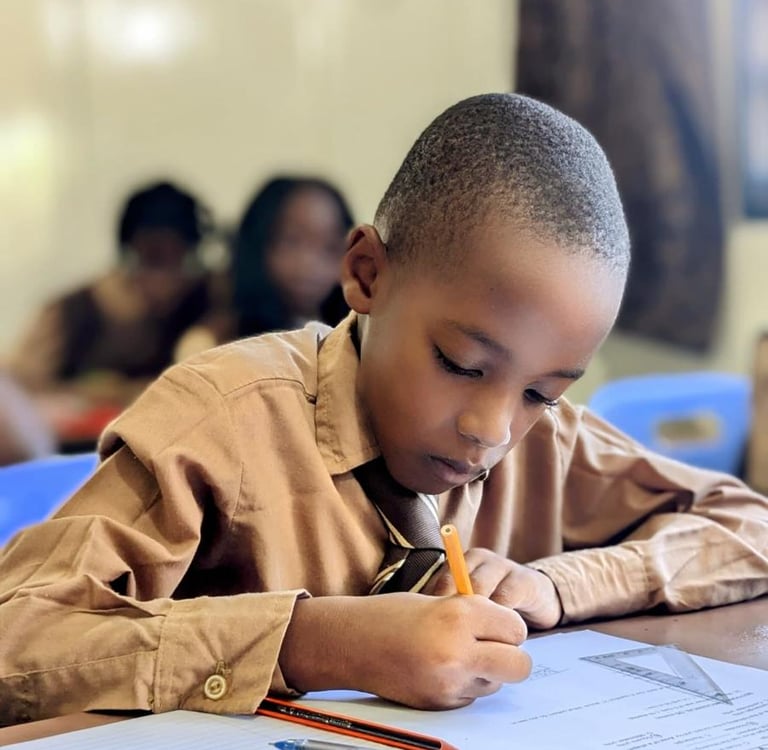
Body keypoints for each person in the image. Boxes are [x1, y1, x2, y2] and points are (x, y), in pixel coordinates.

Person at [1, 94, 767, 725]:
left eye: (541, 392)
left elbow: (752, 528)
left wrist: (563, 586)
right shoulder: (224, 421)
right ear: (367, 275)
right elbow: (16, 637)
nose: (492, 430)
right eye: (462, 365)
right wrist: (309, 642)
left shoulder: (547, 443)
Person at [4, 180, 216, 442]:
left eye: (178, 261)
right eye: (153, 259)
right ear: (128, 254)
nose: (164, 282)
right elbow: (13, 392)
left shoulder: (205, 300)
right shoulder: (73, 311)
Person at [175, 176, 353, 360]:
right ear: (256, 244)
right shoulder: (211, 342)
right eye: (292, 240)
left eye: (330, 247)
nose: (309, 262)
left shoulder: (351, 341)